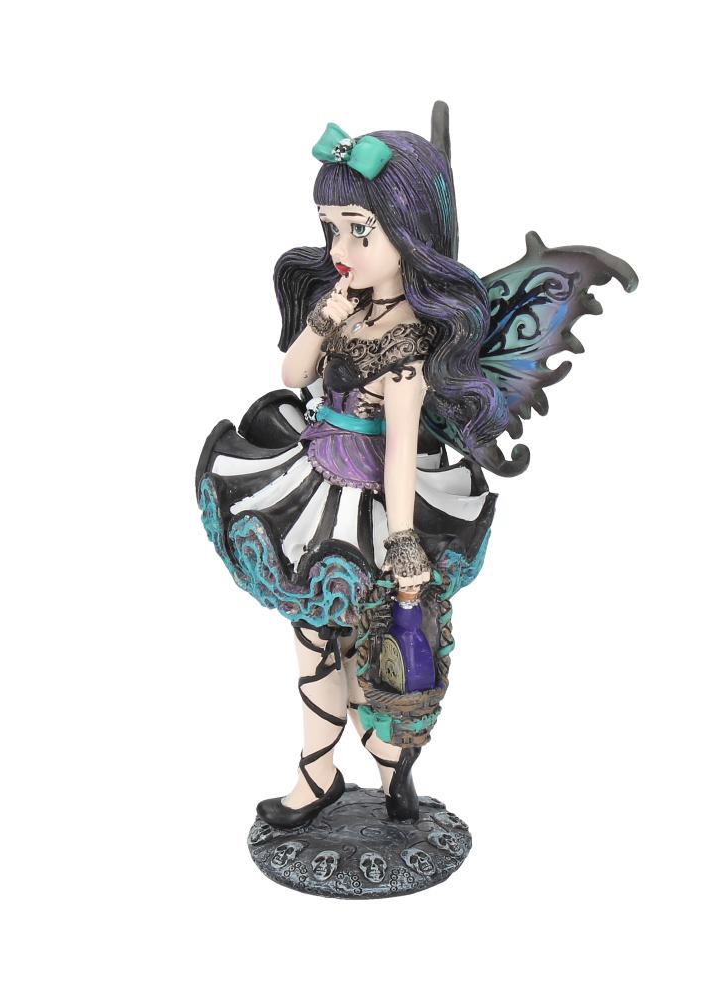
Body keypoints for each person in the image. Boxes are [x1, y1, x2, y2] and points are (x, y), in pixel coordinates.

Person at [196, 108, 501, 828]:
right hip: (310, 479)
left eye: (359, 231)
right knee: (314, 641)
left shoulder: (413, 344)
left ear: (410, 235)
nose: (339, 248)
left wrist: (404, 544)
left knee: (363, 647)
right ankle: (322, 776)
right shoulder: (347, 305)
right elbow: (293, 372)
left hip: (366, 506)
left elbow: (400, 451)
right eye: (332, 228)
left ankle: (390, 772)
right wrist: (325, 317)